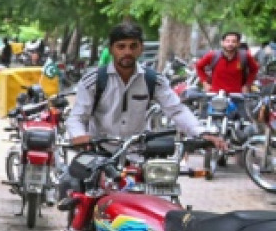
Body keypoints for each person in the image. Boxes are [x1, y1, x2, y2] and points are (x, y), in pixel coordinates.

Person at [67, 20, 219, 150]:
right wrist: (79, 136)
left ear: (141, 49)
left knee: (163, 183)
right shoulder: (93, 80)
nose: (127, 52)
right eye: (121, 46)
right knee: (73, 181)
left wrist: (201, 132)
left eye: (133, 46)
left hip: (138, 152)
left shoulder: (153, 80)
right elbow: (78, 116)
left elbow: (176, 110)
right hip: (98, 153)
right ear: (112, 50)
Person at [195, 30, 258, 95]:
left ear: (238, 43)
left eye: (234, 41)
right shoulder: (213, 55)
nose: (230, 44)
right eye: (227, 41)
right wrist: (205, 83)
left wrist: (247, 85)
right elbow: (198, 66)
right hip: (215, 95)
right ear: (222, 43)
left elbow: (254, 69)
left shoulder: (245, 56)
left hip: (237, 96)